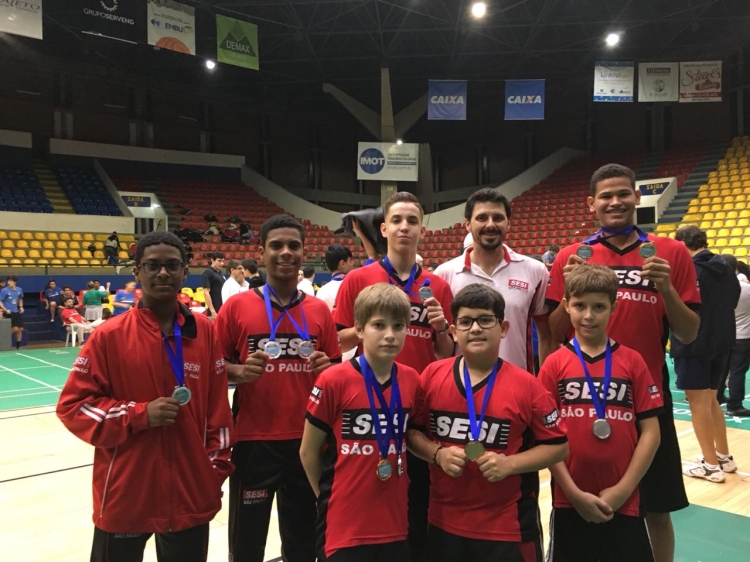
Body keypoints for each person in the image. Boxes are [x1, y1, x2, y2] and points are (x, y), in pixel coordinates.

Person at [546, 163, 700, 562]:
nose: (615, 202)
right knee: (569, 503)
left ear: (636, 197)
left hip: (646, 398)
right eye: (606, 196)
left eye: (623, 194)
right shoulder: (571, 255)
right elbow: (554, 329)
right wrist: (567, 283)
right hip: (582, 398)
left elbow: (689, 332)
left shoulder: (670, 252)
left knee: (656, 507)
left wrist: (666, 288)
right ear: (591, 204)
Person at [56, 231, 234, 562]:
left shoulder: (204, 331)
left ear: (184, 272)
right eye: (152, 265)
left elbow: (218, 411)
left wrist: (213, 472)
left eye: (172, 265)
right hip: (126, 492)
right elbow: (73, 407)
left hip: (190, 492)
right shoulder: (109, 336)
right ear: (137, 271)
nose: (162, 273)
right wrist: (138, 414)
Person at [406, 284, 568, 561]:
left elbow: (558, 447)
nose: (476, 328)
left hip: (508, 527)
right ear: (454, 331)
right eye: (466, 321)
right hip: (443, 523)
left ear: (503, 328)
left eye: (485, 320)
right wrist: (437, 454)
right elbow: (411, 434)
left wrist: (510, 464)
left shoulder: (528, 385)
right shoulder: (431, 376)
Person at [333, 192, 454, 562]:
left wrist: (442, 328)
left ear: (422, 230)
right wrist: (375, 324)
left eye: (412, 221)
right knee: (372, 493)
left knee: (419, 497)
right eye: (397, 220)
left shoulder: (438, 286)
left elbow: (445, 354)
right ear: (384, 228)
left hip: (418, 402)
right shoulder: (359, 279)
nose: (405, 227)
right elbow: (338, 339)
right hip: (370, 400)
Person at [215, 215, 342, 562]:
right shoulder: (236, 307)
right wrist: (240, 371)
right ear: (262, 251)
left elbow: (337, 374)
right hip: (254, 441)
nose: (285, 253)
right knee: (246, 543)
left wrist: (327, 368)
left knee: (302, 543)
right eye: (276, 245)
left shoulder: (318, 310)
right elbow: (213, 371)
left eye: (293, 246)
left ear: (304, 252)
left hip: (308, 441)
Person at [539, 265, 662, 562]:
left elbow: (651, 433)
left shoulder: (633, 361)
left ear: (614, 307)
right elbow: (546, 439)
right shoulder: (554, 365)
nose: (589, 316)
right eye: (580, 306)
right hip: (569, 500)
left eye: (599, 307)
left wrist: (623, 489)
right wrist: (573, 493)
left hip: (626, 499)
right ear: (566, 305)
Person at [300, 283, 421, 561]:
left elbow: (410, 435)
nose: (390, 335)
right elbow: (308, 452)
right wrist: (328, 497)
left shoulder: (412, 380)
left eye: (398, 326)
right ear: (359, 329)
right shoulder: (333, 380)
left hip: (394, 522)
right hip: (345, 524)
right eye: (379, 325)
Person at [434, 187, 554, 372]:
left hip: (517, 387)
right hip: (461, 389)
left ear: (508, 223)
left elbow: (547, 336)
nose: (490, 225)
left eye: (498, 218)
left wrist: (544, 385)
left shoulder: (535, 271)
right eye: (482, 218)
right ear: (467, 224)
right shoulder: (444, 274)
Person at [672, 226, 740, 482]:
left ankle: (711, 466)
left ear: (681, 244)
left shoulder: (690, 269)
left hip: (694, 343)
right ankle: (723, 456)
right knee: (711, 400)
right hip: (723, 342)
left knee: (698, 403)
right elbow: (732, 302)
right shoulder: (726, 268)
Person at [720, 254, 750, 416]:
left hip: (723, 335)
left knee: (722, 370)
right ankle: (735, 405)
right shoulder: (745, 288)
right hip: (743, 336)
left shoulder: (716, 285)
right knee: (737, 371)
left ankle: (717, 397)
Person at [315, 244, 354, 312]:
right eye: (350, 261)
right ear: (342, 263)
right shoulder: (353, 286)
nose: (352, 264)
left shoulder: (321, 291)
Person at [0, 276, 25, 350]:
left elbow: (20, 298)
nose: (8, 283)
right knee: (14, 329)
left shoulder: (19, 290)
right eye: (8, 281)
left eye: (10, 281)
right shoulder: (4, 290)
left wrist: (21, 307)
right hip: (8, 312)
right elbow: (0, 301)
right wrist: (5, 309)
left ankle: (18, 346)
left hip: (16, 312)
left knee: (19, 329)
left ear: (15, 282)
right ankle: (3, 340)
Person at [202, 252, 226, 318]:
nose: (222, 263)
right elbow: (206, 293)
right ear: (212, 260)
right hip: (214, 311)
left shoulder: (220, 273)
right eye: (219, 261)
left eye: (223, 261)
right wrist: (213, 311)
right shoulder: (208, 272)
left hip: (222, 309)